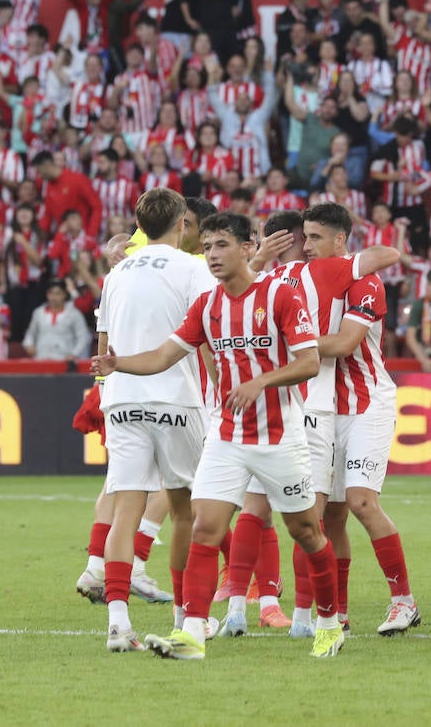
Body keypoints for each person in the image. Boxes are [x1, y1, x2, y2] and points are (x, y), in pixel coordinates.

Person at [92, 212, 345, 661]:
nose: (211, 255)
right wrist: (119, 364)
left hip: (279, 438)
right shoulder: (207, 306)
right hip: (226, 438)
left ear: (248, 247)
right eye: (206, 247)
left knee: (305, 531)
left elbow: (308, 361)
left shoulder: (279, 295)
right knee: (205, 527)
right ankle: (192, 633)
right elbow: (164, 355)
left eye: (221, 245)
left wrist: (260, 382)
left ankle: (328, 622)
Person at [93, 189, 217, 652]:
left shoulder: (117, 273)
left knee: (125, 508)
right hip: (175, 398)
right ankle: (185, 616)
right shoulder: (195, 269)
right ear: (185, 223)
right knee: (185, 509)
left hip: (122, 398)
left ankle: (117, 623)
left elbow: (104, 344)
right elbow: (209, 334)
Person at [302, 203, 418, 635]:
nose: (307, 245)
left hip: (367, 402)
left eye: (315, 237)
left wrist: (290, 342)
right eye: (304, 237)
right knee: (330, 517)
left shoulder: (365, 284)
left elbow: (346, 343)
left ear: (339, 241)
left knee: (361, 501)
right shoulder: (309, 285)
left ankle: (404, 601)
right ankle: (340, 614)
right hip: (325, 409)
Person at [21, 279, 91, 361]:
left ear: (64, 295)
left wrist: (74, 354)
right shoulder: (38, 313)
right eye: (51, 293)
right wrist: (29, 345)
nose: (54, 297)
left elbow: (83, 337)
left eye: (58, 294)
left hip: (64, 361)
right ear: (47, 295)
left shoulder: (74, 314)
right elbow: (30, 334)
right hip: (41, 358)